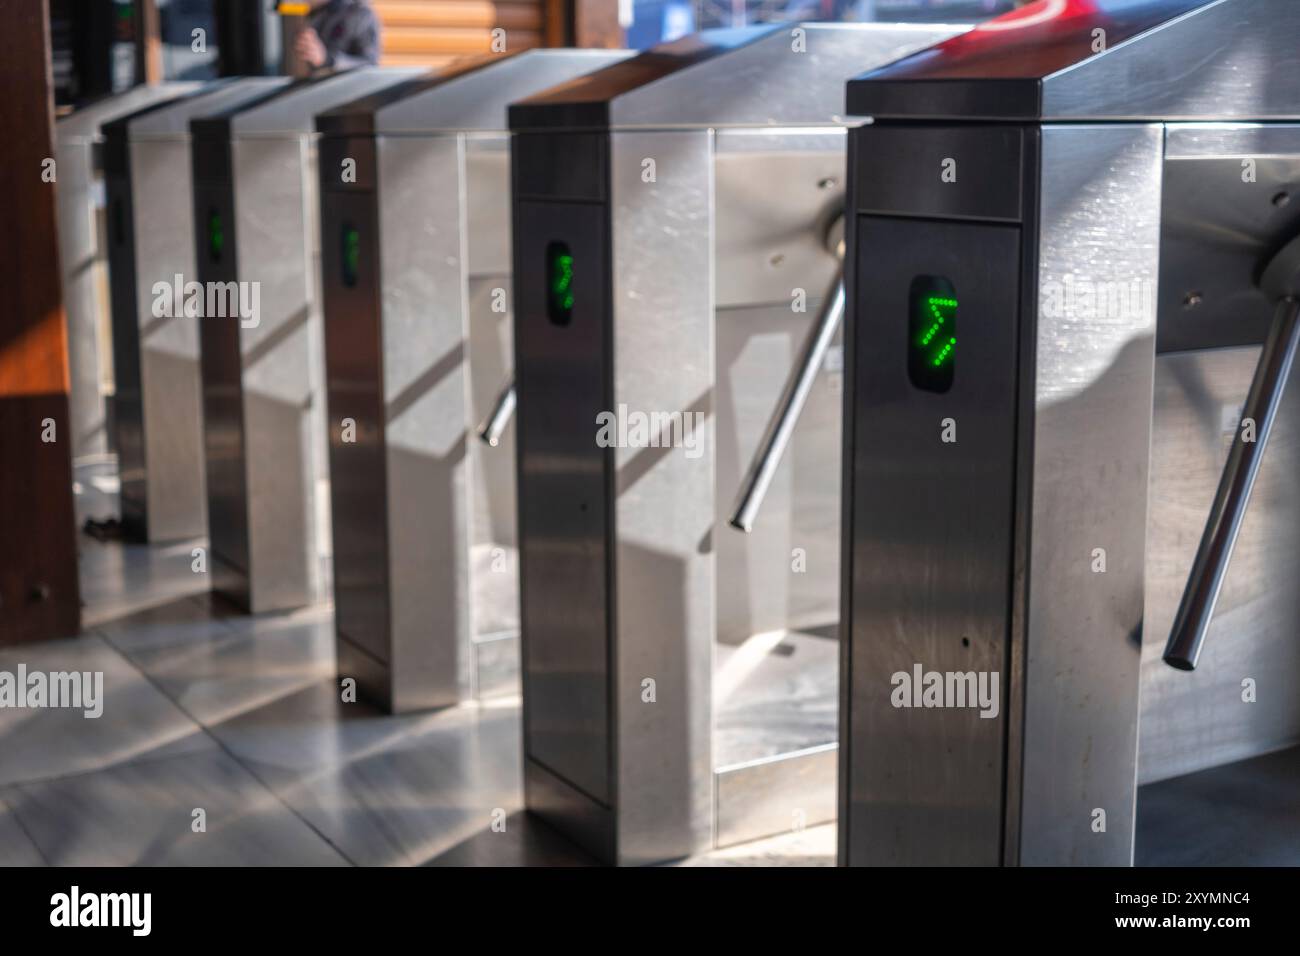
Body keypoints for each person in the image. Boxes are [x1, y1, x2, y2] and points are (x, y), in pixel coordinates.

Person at [292, 0, 381, 70]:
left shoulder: (360, 13)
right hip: (311, 86)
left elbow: (370, 65)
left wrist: (328, 60)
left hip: (346, 89)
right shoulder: (310, 11)